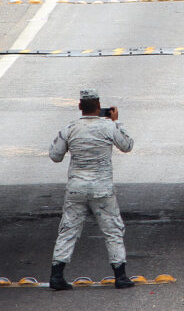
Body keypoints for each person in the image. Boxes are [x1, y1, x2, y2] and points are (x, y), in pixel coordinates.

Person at [49, 89, 135, 291]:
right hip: (102, 189)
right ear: (99, 107)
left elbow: (55, 155)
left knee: (68, 230)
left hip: (76, 189)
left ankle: (57, 274)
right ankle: (120, 276)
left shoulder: (70, 128)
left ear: (80, 107)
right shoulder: (108, 127)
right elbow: (127, 145)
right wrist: (116, 122)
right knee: (113, 230)